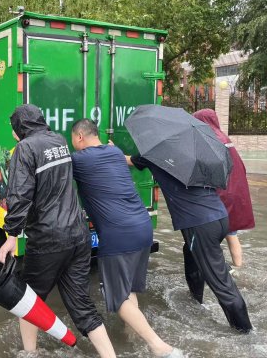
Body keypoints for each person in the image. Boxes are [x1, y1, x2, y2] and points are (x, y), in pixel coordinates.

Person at [0, 105, 116, 358]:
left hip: (48, 239)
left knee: (28, 301)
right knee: (82, 304)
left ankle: (30, 353)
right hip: (78, 235)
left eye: (13, 127)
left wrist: (11, 236)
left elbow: (19, 196)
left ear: (20, 127)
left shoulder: (25, 149)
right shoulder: (59, 140)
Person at [71, 119, 183, 358]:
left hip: (117, 234)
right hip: (142, 228)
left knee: (116, 296)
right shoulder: (114, 152)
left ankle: (158, 346)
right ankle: (131, 336)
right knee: (128, 287)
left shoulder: (79, 160)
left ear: (80, 137)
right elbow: (116, 158)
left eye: (73, 140)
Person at [126, 150, 253, 333]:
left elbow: (128, 160)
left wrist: (111, 148)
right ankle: (196, 299)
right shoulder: (195, 157)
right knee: (191, 253)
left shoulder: (155, 154)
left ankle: (246, 332)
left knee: (220, 282)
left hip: (200, 223)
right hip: (219, 216)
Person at [193, 109, 255, 269]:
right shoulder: (225, 138)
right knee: (231, 234)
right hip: (236, 190)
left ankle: (213, 271)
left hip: (220, 195)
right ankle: (238, 268)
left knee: (212, 236)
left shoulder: (207, 140)